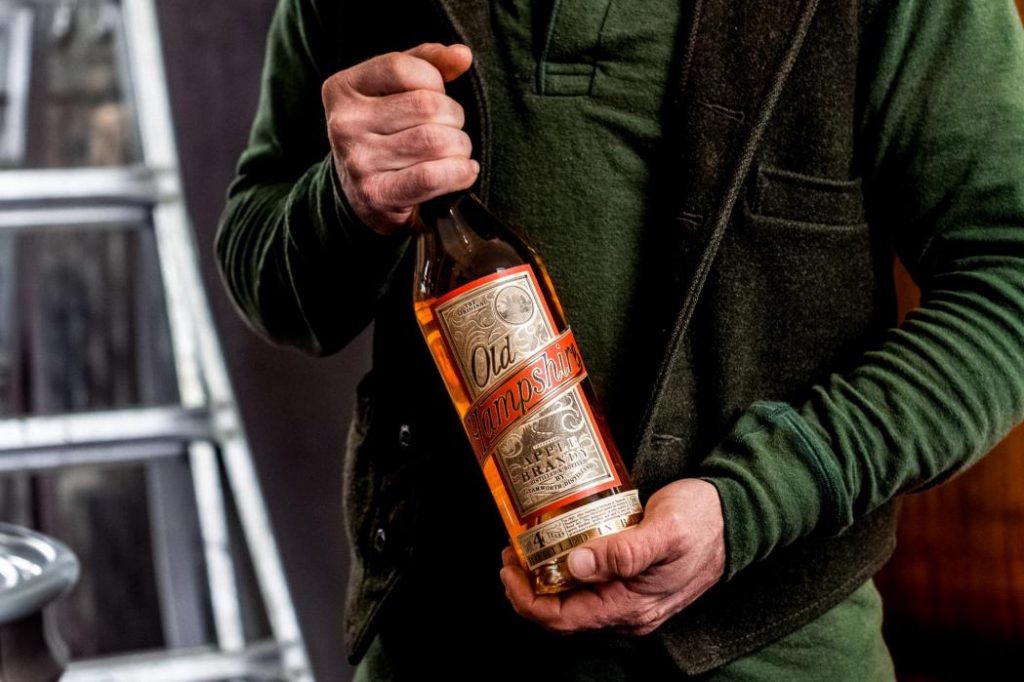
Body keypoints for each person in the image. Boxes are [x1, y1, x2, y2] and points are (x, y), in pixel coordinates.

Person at [213, 0, 1024, 679]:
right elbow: (270, 283)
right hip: (432, 643)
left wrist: (751, 505)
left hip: (770, 651)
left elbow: (1009, 284)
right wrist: (344, 200)